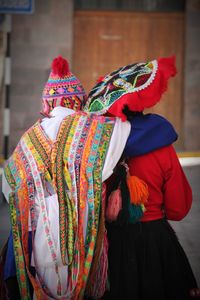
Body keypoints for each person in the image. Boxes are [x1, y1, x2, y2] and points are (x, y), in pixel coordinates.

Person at [1, 56, 131, 299]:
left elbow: (10, 187)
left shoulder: (29, 139)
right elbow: (123, 139)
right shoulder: (97, 129)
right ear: (78, 101)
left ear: (48, 103)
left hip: (38, 241)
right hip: (84, 237)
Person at [84, 56, 200, 299]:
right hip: (156, 243)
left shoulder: (99, 148)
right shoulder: (163, 146)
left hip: (111, 246)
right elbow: (179, 208)